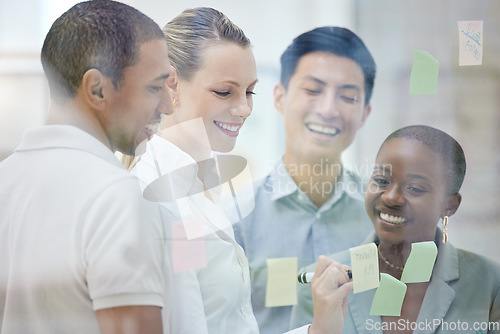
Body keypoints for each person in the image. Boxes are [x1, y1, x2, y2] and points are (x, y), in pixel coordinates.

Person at [129, 8, 354, 334]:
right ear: (171, 85)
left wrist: (318, 329)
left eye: (249, 91)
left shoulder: (202, 187)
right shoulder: (155, 196)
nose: (244, 108)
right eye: (224, 91)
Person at [0, 1, 174, 333]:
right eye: (155, 87)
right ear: (97, 89)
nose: (166, 105)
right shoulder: (117, 196)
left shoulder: (4, 181)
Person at [233, 26, 377, 334]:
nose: (327, 110)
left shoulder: (387, 217)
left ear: (365, 114)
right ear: (280, 98)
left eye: (348, 97)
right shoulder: (235, 218)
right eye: (313, 90)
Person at [291, 125, 500, 333]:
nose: (391, 197)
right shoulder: (319, 281)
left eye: (415, 188)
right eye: (381, 181)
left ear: (450, 205)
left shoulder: (490, 284)